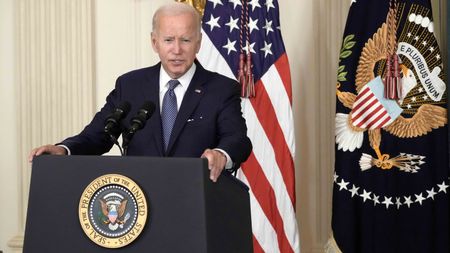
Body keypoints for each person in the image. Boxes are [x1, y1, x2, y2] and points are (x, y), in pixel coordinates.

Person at [28, 2, 252, 182]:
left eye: (185, 40)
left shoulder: (221, 89)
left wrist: (221, 155)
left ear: (198, 43)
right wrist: (64, 149)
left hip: (197, 203)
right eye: (168, 40)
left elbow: (237, 139)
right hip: (139, 207)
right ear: (155, 42)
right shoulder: (130, 85)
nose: (177, 50)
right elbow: (97, 135)